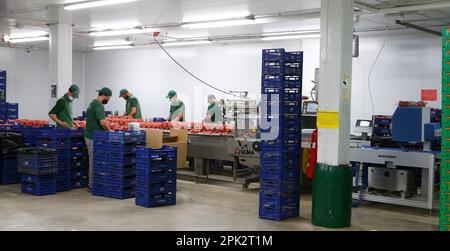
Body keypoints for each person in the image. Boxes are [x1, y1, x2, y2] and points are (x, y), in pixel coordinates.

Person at [84, 87, 113, 191]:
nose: (108, 100)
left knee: (93, 159)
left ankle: (93, 183)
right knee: (94, 160)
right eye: (108, 98)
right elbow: (103, 123)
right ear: (104, 96)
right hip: (92, 137)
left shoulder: (92, 102)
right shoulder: (99, 105)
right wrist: (110, 132)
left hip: (89, 134)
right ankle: (92, 185)